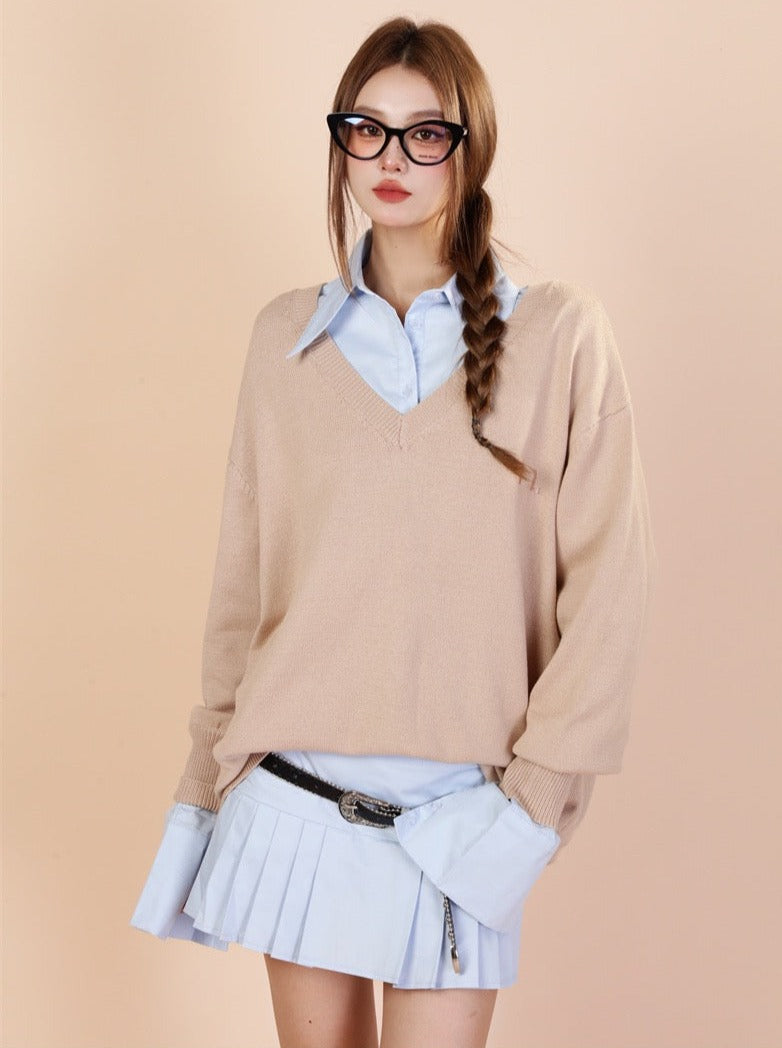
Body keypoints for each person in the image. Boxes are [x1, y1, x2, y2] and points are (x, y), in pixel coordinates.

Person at [130, 16, 656, 1048]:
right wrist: (205, 785)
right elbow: (243, 591)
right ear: (341, 143)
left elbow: (609, 595)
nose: (391, 157)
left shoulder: (560, 334)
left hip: (462, 816)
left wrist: (532, 804)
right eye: (365, 129)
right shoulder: (283, 340)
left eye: (425, 133)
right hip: (291, 800)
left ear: (470, 147)